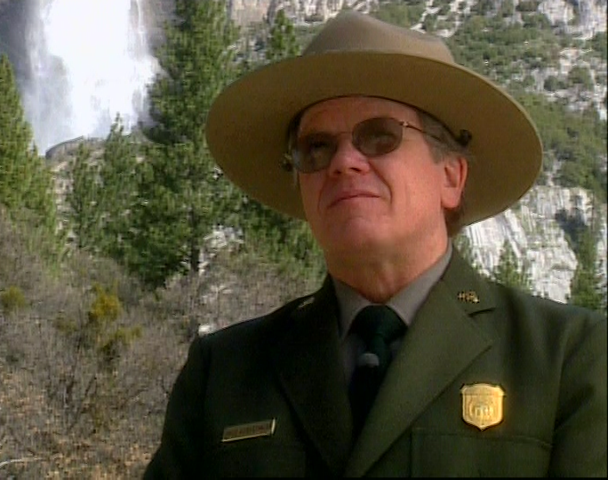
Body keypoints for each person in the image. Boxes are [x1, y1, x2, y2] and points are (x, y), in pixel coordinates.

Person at [144, 11, 606, 478]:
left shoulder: (567, 357)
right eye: (317, 148)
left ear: (451, 176)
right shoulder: (224, 371)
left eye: (380, 137)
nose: (343, 162)